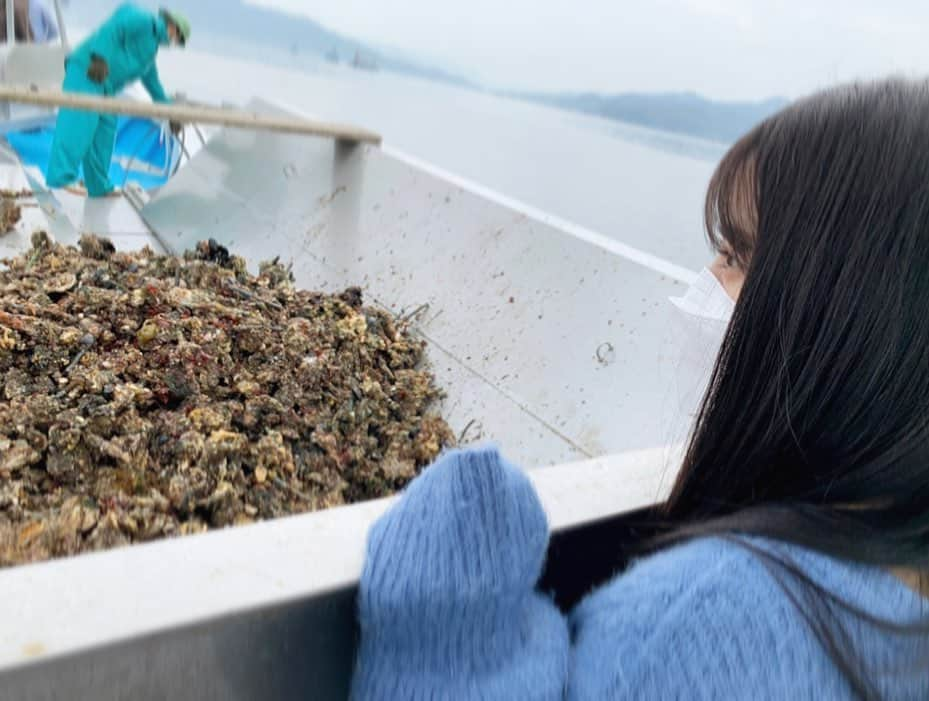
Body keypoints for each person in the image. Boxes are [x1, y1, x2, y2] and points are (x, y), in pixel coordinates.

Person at [350, 78, 929, 700]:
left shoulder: (696, 625)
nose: (706, 278)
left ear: (845, 317)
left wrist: (449, 628)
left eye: (737, 254)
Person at [45, 4, 190, 197]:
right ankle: (60, 178)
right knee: (78, 123)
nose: (173, 42)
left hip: (105, 87)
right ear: (173, 27)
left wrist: (172, 114)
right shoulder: (145, 21)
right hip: (87, 72)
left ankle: (98, 186)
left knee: (106, 129)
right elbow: (113, 28)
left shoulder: (149, 54)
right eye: (176, 38)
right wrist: (99, 58)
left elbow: (155, 87)